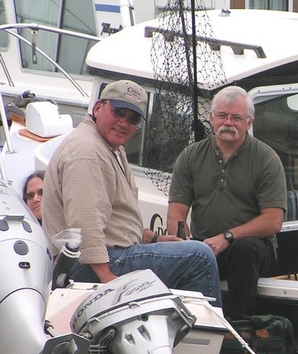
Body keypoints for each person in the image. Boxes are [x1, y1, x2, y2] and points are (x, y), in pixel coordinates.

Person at [42, 80, 221, 304]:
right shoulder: (87, 151)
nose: (124, 123)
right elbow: (84, 223)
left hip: (107, 256)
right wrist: (108, 278)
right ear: (98, 108)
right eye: (118, 112)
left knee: (191, 252)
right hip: (89, 266)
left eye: (133, 118)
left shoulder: (110, 148)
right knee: (199, 257)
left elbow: (115, 219)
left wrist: (155, 238)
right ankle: (209, 337)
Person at [168, 85, 287, 316]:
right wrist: (184, 243)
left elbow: (274, 221)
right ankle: (191, 323)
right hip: (206, 245)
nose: (228, 123)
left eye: (236, 118)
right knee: (179, 253)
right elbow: (176, 213)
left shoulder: (266, 159)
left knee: (243, 250)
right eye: (222, 116)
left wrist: (227, 237)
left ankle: (240, 329)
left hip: (253, 249)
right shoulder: (190, 156)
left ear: (249, 123)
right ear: (212, 118)